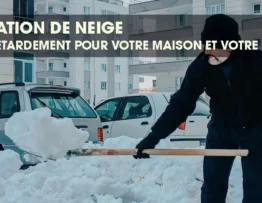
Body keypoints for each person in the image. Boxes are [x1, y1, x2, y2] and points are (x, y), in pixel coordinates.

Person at [133, 14, 262, 203]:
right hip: (222, 128)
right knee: (212, 187)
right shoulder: (201, 66)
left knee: (256, 190)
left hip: (255, 129)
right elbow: (181, 103)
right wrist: (154, 136)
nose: (211, 53)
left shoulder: (255, 61)